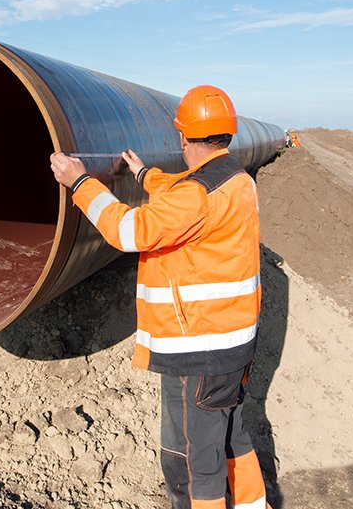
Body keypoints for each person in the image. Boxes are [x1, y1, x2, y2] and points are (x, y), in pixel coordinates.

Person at [50, 85, 271, 509]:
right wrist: (143, 175)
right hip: (233, 342)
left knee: (192, 459)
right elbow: (184, 190)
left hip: (199, 350)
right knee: (229, 435)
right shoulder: (235, 178)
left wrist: (79, 182)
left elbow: (129, 231)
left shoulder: (195, 196)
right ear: (227, 134)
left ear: (182, 136)